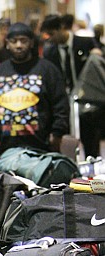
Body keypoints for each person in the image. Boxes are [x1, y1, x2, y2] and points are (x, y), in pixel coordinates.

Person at [0, 22, 70, 159]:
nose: (19, 45)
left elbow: (60, 105)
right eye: (14, 41)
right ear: (7, 43)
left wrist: (57, 134)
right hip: (7, 152)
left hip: (42, 150)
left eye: (23, 41)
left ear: (32, 43)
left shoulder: (47, 70)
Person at [41, 13, 102, 156]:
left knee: (91, 138)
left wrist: (97, 54)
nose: (50, 38)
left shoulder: (86, 43)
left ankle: (91, 166)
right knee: (66, 138)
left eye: (51, 33)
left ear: (61, 28)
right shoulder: (50, 52)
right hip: (64, 101)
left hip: (88, 100)